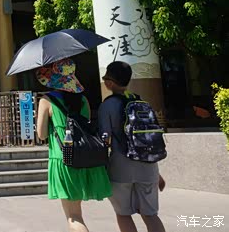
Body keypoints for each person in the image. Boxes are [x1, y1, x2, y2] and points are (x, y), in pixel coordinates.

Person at [35, 58, 112, 232]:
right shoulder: (83, 100)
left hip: (63, 159)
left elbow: (42, 135)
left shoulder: (47, 100)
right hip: (84, 157)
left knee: (73, 217)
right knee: (77, 213)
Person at [99, 61, 167, 232]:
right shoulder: (141, 101)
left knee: (123, 214)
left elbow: (104, 138)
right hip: (149, 166)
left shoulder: (107, 105)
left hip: (121, 167)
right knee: (150, 215)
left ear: (110, 83)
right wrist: (157, 174)